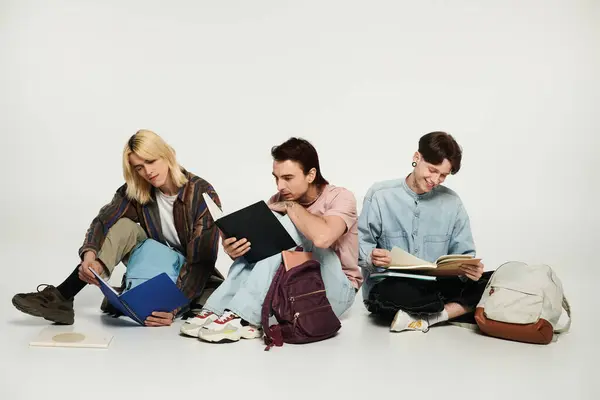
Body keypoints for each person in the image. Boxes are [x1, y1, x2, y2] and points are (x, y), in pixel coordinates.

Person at [12, 129, 223, 326]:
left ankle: (132, 298)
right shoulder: (138, 190)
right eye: (139, 167)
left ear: (167, 154)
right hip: (156, 265)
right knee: (122, 225)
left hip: (191, 274)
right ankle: (63, 296)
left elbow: (200, 262)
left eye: (151, 161)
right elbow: (103, 221)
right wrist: (90, 255)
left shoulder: (201, 193)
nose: (147, 172)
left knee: (203, 304)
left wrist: (172, 305)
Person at [179, 137, 362, 342]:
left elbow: (323, 238)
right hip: (291, 292)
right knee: (270, 232)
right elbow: (262, 261)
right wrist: (238, 248)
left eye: (288, 178)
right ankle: (218, 309)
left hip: (335, 293)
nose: (280, 186)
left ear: (311, 175)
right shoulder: (280, 200)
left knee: (288, 224)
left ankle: (243, 316)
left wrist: (291, 208)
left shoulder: (340, 197)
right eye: (276, 178)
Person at [358, 131, 492, 333]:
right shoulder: (380, 195)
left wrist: (470, 270)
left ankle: (427, 319)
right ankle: (451, 310)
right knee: (386, 294)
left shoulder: (452, 203)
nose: (435, 180)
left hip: (436, 285)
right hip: (394, 286)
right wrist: (372, 257)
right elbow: (360, 245)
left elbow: (465, 255)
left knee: (492, 282)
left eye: (443, 175)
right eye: (432, 170)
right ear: (416, 158)